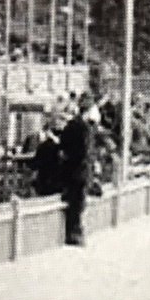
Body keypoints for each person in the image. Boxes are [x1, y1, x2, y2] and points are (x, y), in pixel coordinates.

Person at [59, 96, 98, 246]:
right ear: (88, 112)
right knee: (78, 204)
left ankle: (70, 232)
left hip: (69, 170)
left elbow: (63, 147)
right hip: (81, 171)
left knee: (71, 202)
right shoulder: (85, 128)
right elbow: (87, 152)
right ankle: (74, 234)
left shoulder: (70, 125)